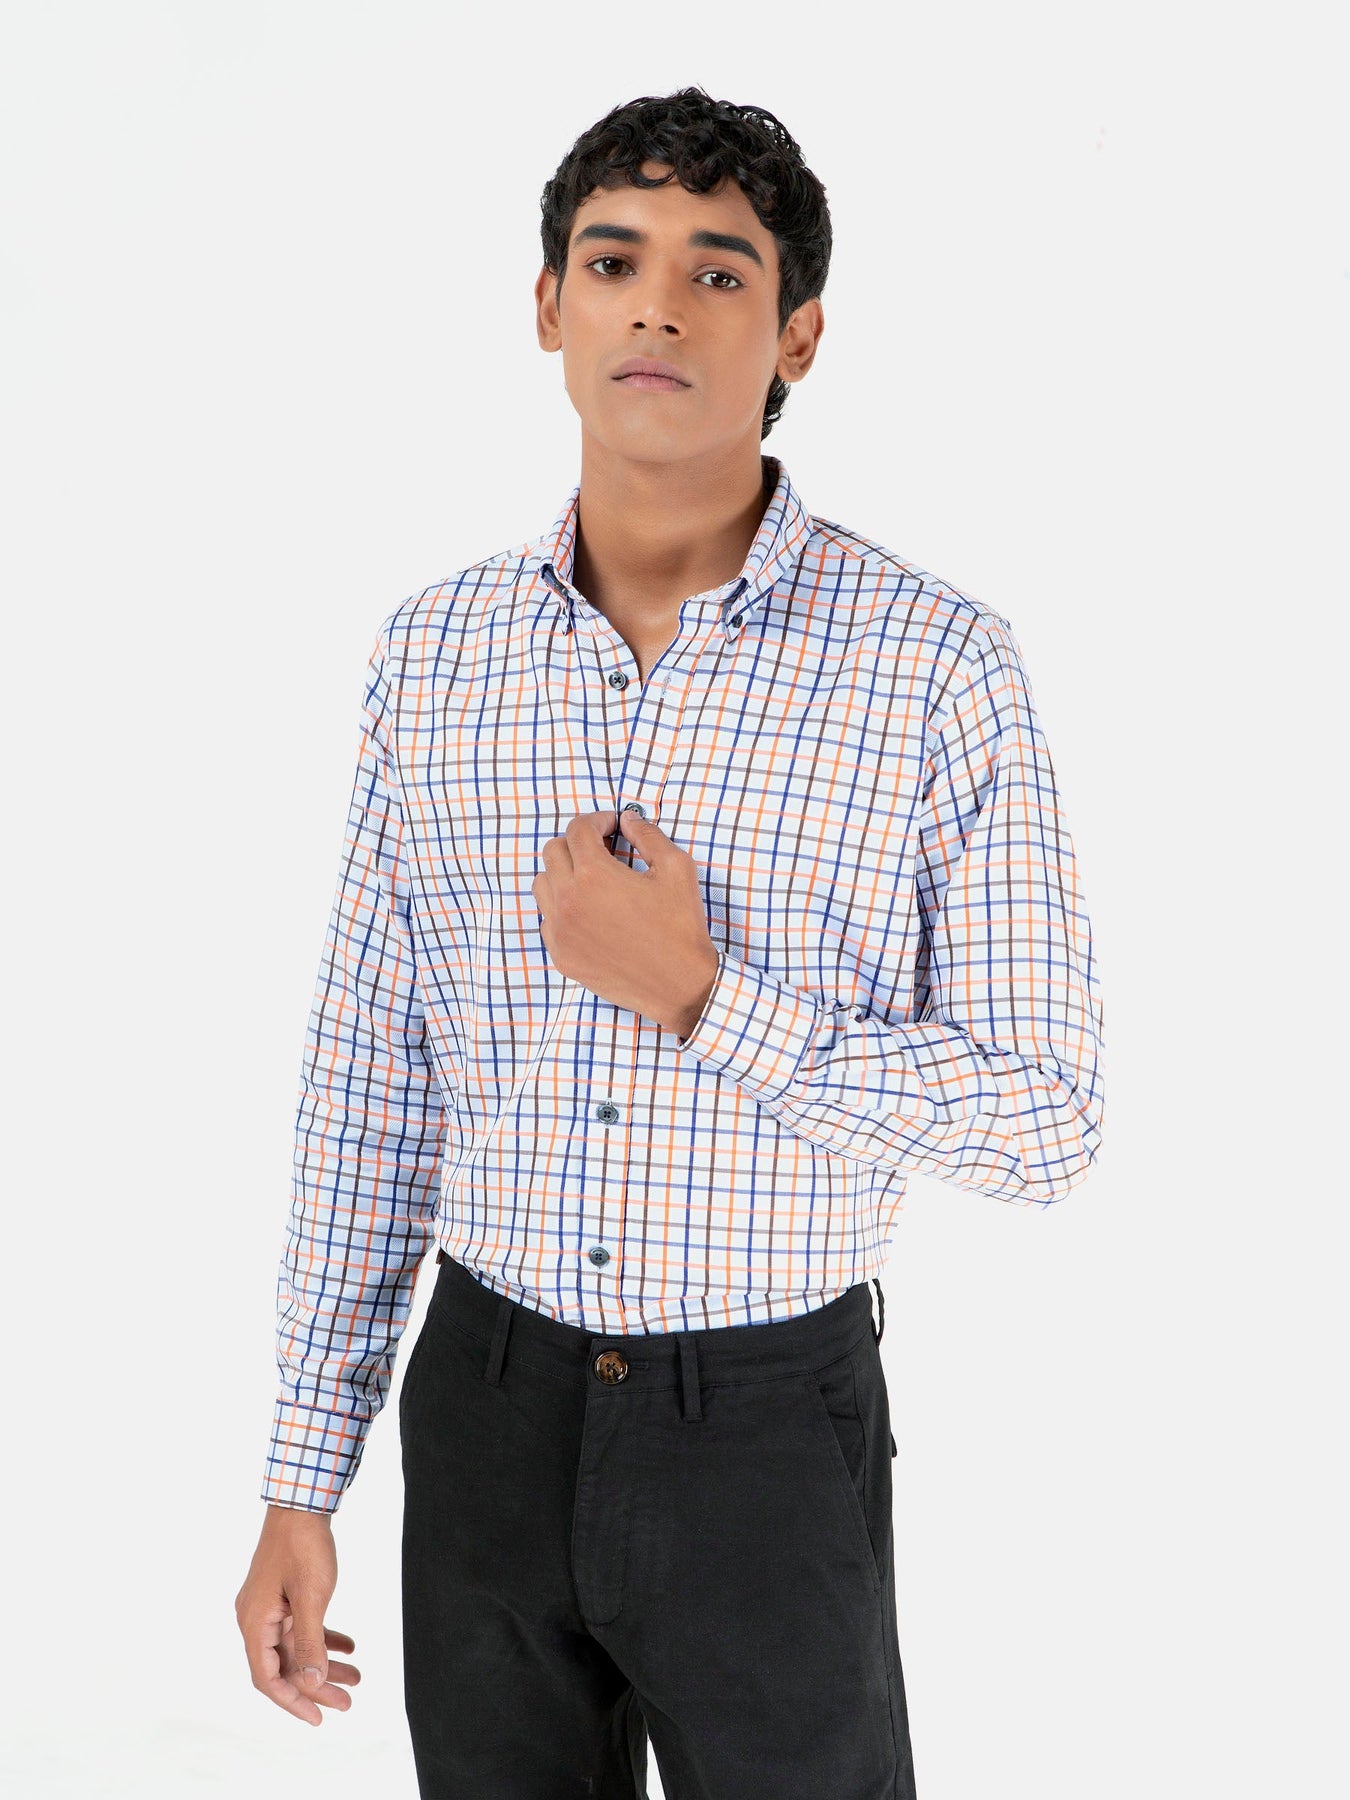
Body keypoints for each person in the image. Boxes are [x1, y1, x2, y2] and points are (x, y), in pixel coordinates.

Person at [235, 85, 1105, 1800]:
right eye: (612, 260)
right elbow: (368, 1086)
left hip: (764, 1428)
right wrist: (298, 1476)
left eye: (717, 273)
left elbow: (1046, 1119)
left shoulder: (933, 664)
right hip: (483, 1405)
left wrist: (702, 997)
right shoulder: (434, 655)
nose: (656, 306)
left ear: (798, 336)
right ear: (547, 306)